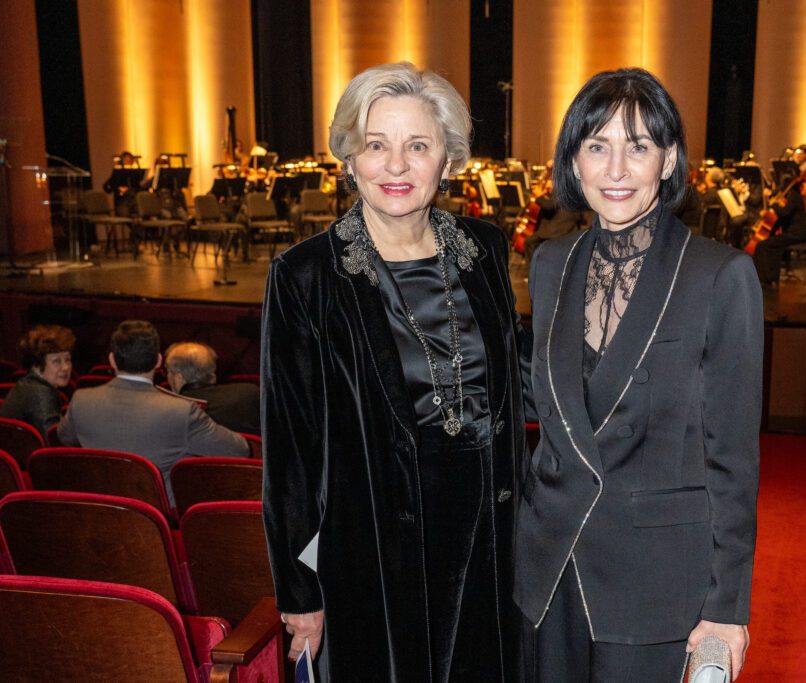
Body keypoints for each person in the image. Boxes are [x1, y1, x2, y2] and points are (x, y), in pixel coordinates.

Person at [261, 62, 529, 681]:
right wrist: (299, 592)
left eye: (417, 146)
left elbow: (513, 383)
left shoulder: (485, 250)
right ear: (350, 160)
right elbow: (290, 447)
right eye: (375, 146)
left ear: (449, 158)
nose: (397, 167)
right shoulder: (306, 276)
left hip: (489, 536)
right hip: (373, 552)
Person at [517, 67, 761, 682]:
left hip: (654, 581)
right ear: (574, 162)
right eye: (597, 146)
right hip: (548, 573)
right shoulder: (550, 264)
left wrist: (726, 608)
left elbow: (732, 457)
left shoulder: (720, 276)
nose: (617, 169)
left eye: (639, 146)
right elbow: (550, 405)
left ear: (669, 158)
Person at [57, 321, 248, 504]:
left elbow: (64, 438)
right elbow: (239, 450)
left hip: (99, 512)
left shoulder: (81, 400)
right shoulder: (182, 411)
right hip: (162, 520)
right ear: (158, 360)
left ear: (112, 360)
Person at [165, 341, 260, 435]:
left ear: (178, 378)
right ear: (213, 371)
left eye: (168, 372)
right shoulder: (250, 393)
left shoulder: (172, 411)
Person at [0, 325, 75, 436]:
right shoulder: (41, 394)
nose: (66, 367)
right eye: (57, 361)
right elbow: (53, 442)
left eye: (67, 359)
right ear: (36, 365)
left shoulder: (28, 384)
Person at [753, 169, 806, 285]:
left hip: (795, 234)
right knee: (769, 244)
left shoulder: (794, 196)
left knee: (763, 245)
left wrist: (774, 206)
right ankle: (768, 276)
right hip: (792, 233)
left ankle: (765, 277)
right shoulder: (794, 195)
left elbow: (785, 212)